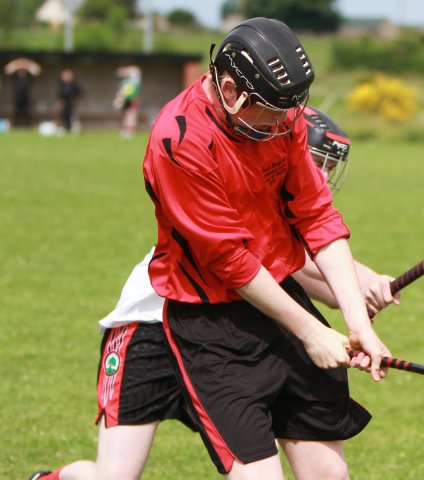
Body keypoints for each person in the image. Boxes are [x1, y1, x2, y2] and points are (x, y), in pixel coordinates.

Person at [28, 102, 398, 480]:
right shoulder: (238, 180)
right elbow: (266, 261)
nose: (321, 175)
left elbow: (302, 275)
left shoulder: (281, 196)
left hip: (224, 334)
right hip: (149, 330)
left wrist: (367, 292)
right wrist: (361, 278)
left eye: (330, 168)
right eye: (316, 161)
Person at [113, 65, 142, 138]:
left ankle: (131, 131)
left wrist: (124, 70)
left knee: (131, 115)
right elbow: (120, 92)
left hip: (133, 99)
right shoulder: (123, 82)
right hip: (124, 100)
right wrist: (118, 99)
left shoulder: (134, 79)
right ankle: (126, 130)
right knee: (125, 115)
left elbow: (136, 70)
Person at [55, 69, 82, 134]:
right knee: (63, 116)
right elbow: (59, 95)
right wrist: (59, 102)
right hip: (63, 103)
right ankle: (64, 128)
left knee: (72, 116)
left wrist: (74, 99)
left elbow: (78, 93)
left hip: (71, 103)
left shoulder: (74, 84)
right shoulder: (61, 84)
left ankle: (72, 129)